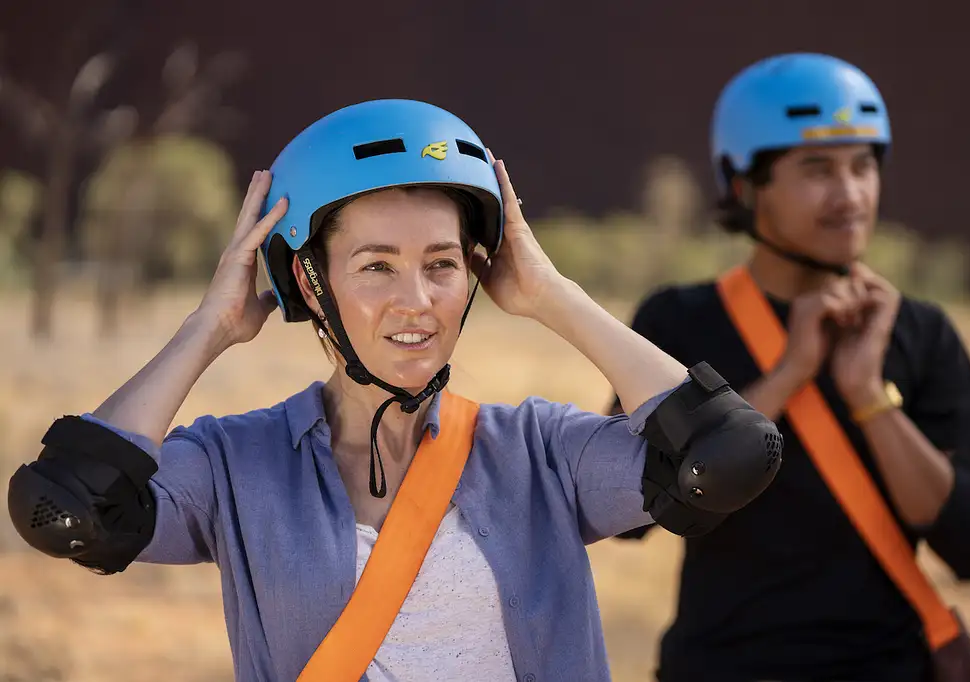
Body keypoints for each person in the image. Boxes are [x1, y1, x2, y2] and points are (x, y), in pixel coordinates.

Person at [7, 99, 781, 682]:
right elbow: (65, 509)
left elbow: (731, 457)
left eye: (443, 264)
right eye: (376, 265)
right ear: (311, 281)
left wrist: (551, 294)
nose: (418, 300)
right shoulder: (235, 466)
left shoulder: (541, 453)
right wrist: (209, 327)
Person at [610, 53, 970, 682]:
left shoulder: (919, 333)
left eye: (864, 166)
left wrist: (867, 393)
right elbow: (627, 511)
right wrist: (788, 371)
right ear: (746, 186)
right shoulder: (680, 322)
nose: (851, 194)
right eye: (818, 169)